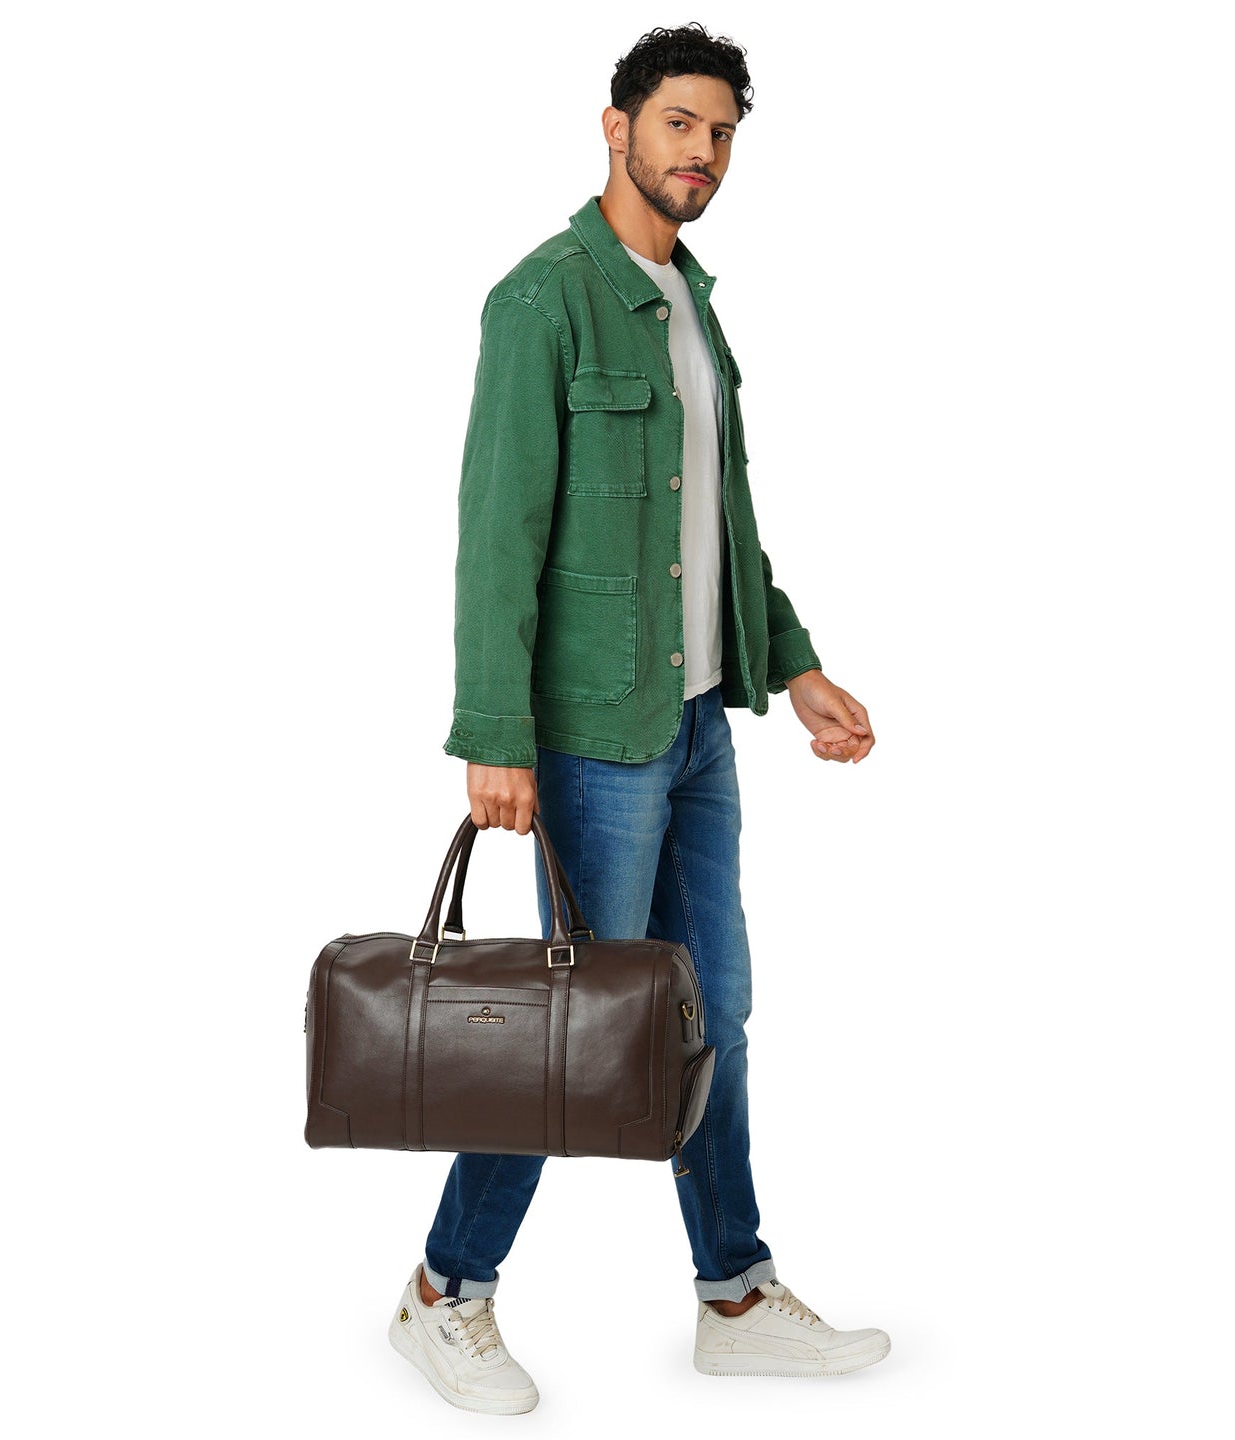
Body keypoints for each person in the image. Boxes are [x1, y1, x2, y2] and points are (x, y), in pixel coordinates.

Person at [386, 23, 887, 1413]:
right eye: (679, 124)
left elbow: (721, 524)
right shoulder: (541, 301)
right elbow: (498, 537)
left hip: (699, 723)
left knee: (711, 1009)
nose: (701, 153)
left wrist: (793, 665)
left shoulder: (692, 307)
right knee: (578, 1029)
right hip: (592, 737)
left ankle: (735, 1292)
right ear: (615, 128)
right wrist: (495, 734)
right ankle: (445, 1290)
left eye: (721, 133)